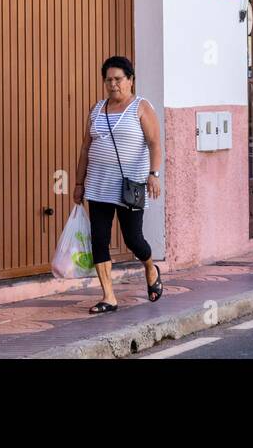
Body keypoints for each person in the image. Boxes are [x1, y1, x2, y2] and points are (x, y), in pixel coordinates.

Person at [74, 55, 163, 313]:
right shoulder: (97, 109)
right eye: (108, 80)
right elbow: (85, 147)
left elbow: (155, 142)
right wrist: (79, 182)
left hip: (130, 186)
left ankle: (150, 267)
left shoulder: (141, 107)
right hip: (98, 186)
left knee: (133, 239)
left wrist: (153, 174)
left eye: (118, 79)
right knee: (98, 239)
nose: (113, 84)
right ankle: (109, 296)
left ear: (130, 80)